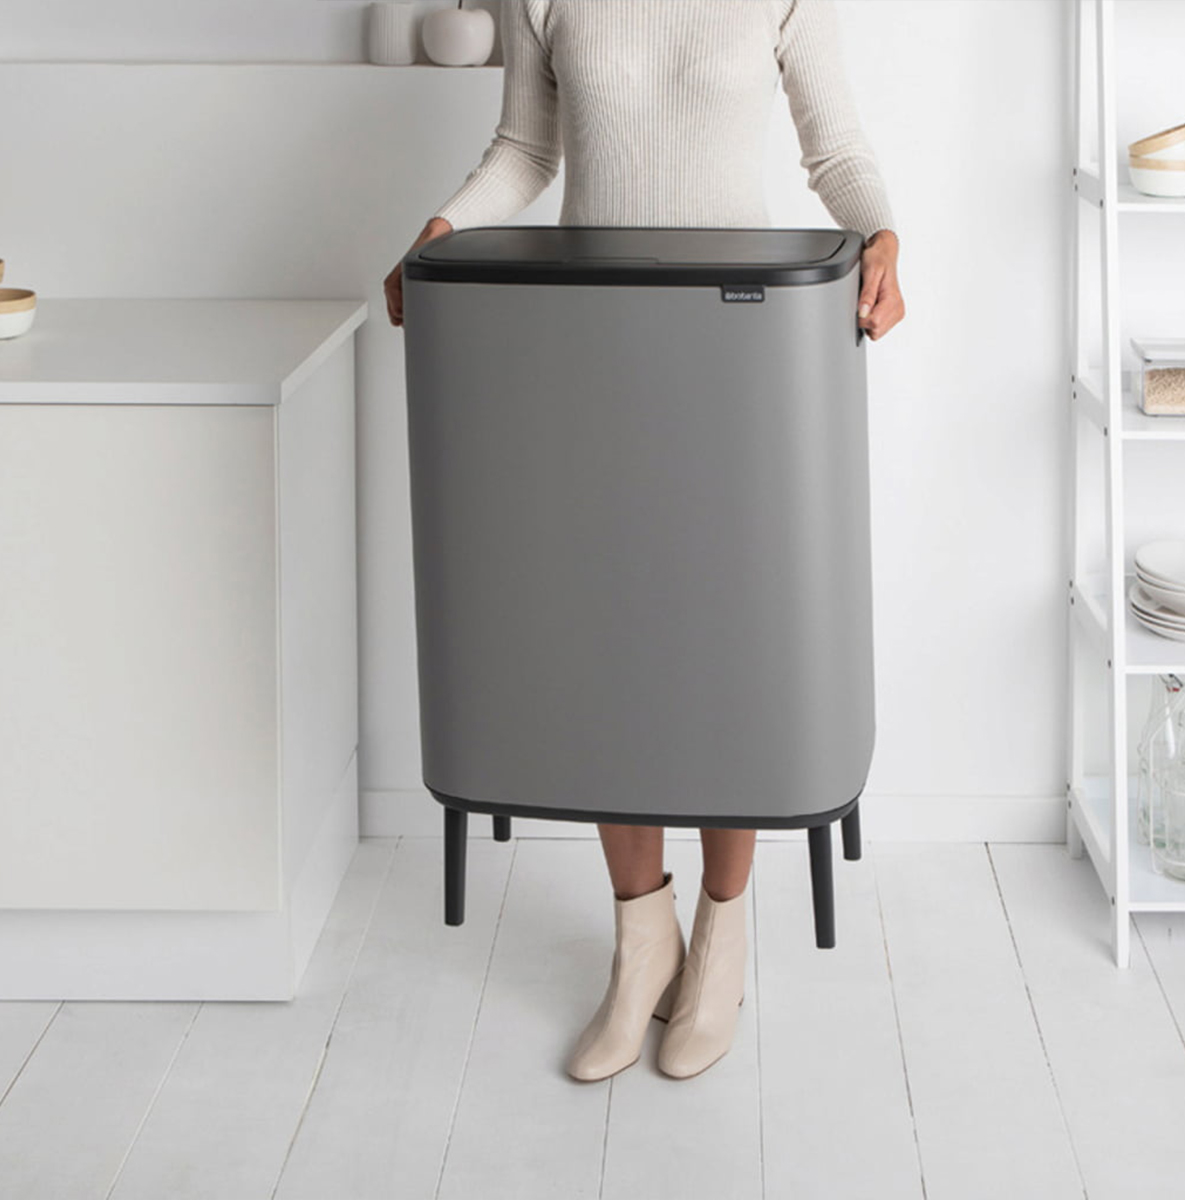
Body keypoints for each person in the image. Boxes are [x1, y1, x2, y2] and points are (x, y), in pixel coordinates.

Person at [384, 0, 904, 1084]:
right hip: (591, 352)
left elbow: (836, 151)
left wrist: (885, 236)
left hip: (739, 348)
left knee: (725, 643)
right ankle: (642, 942)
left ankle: (722, 940)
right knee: (610, 640)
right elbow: (526, 150)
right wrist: (439, 229)